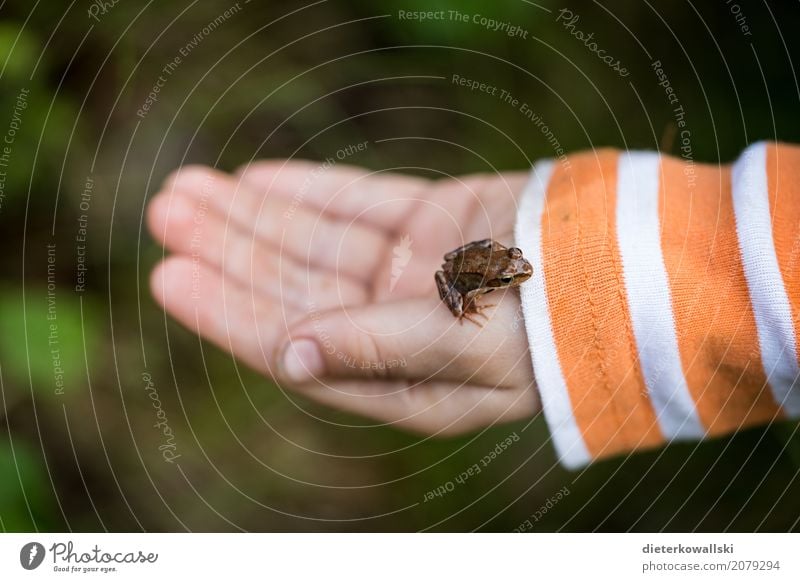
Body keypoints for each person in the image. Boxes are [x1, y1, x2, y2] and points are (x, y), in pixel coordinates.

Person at [147, 142, 800, 468]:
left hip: (468, 254)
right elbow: (457, 273)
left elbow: (499, 258)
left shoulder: (507, 267)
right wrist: (464, 301)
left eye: (514, 274)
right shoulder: (479, 279)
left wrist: (597, 295)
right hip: (456, 269)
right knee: (451, 282)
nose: (520, 275)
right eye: (514, 274)